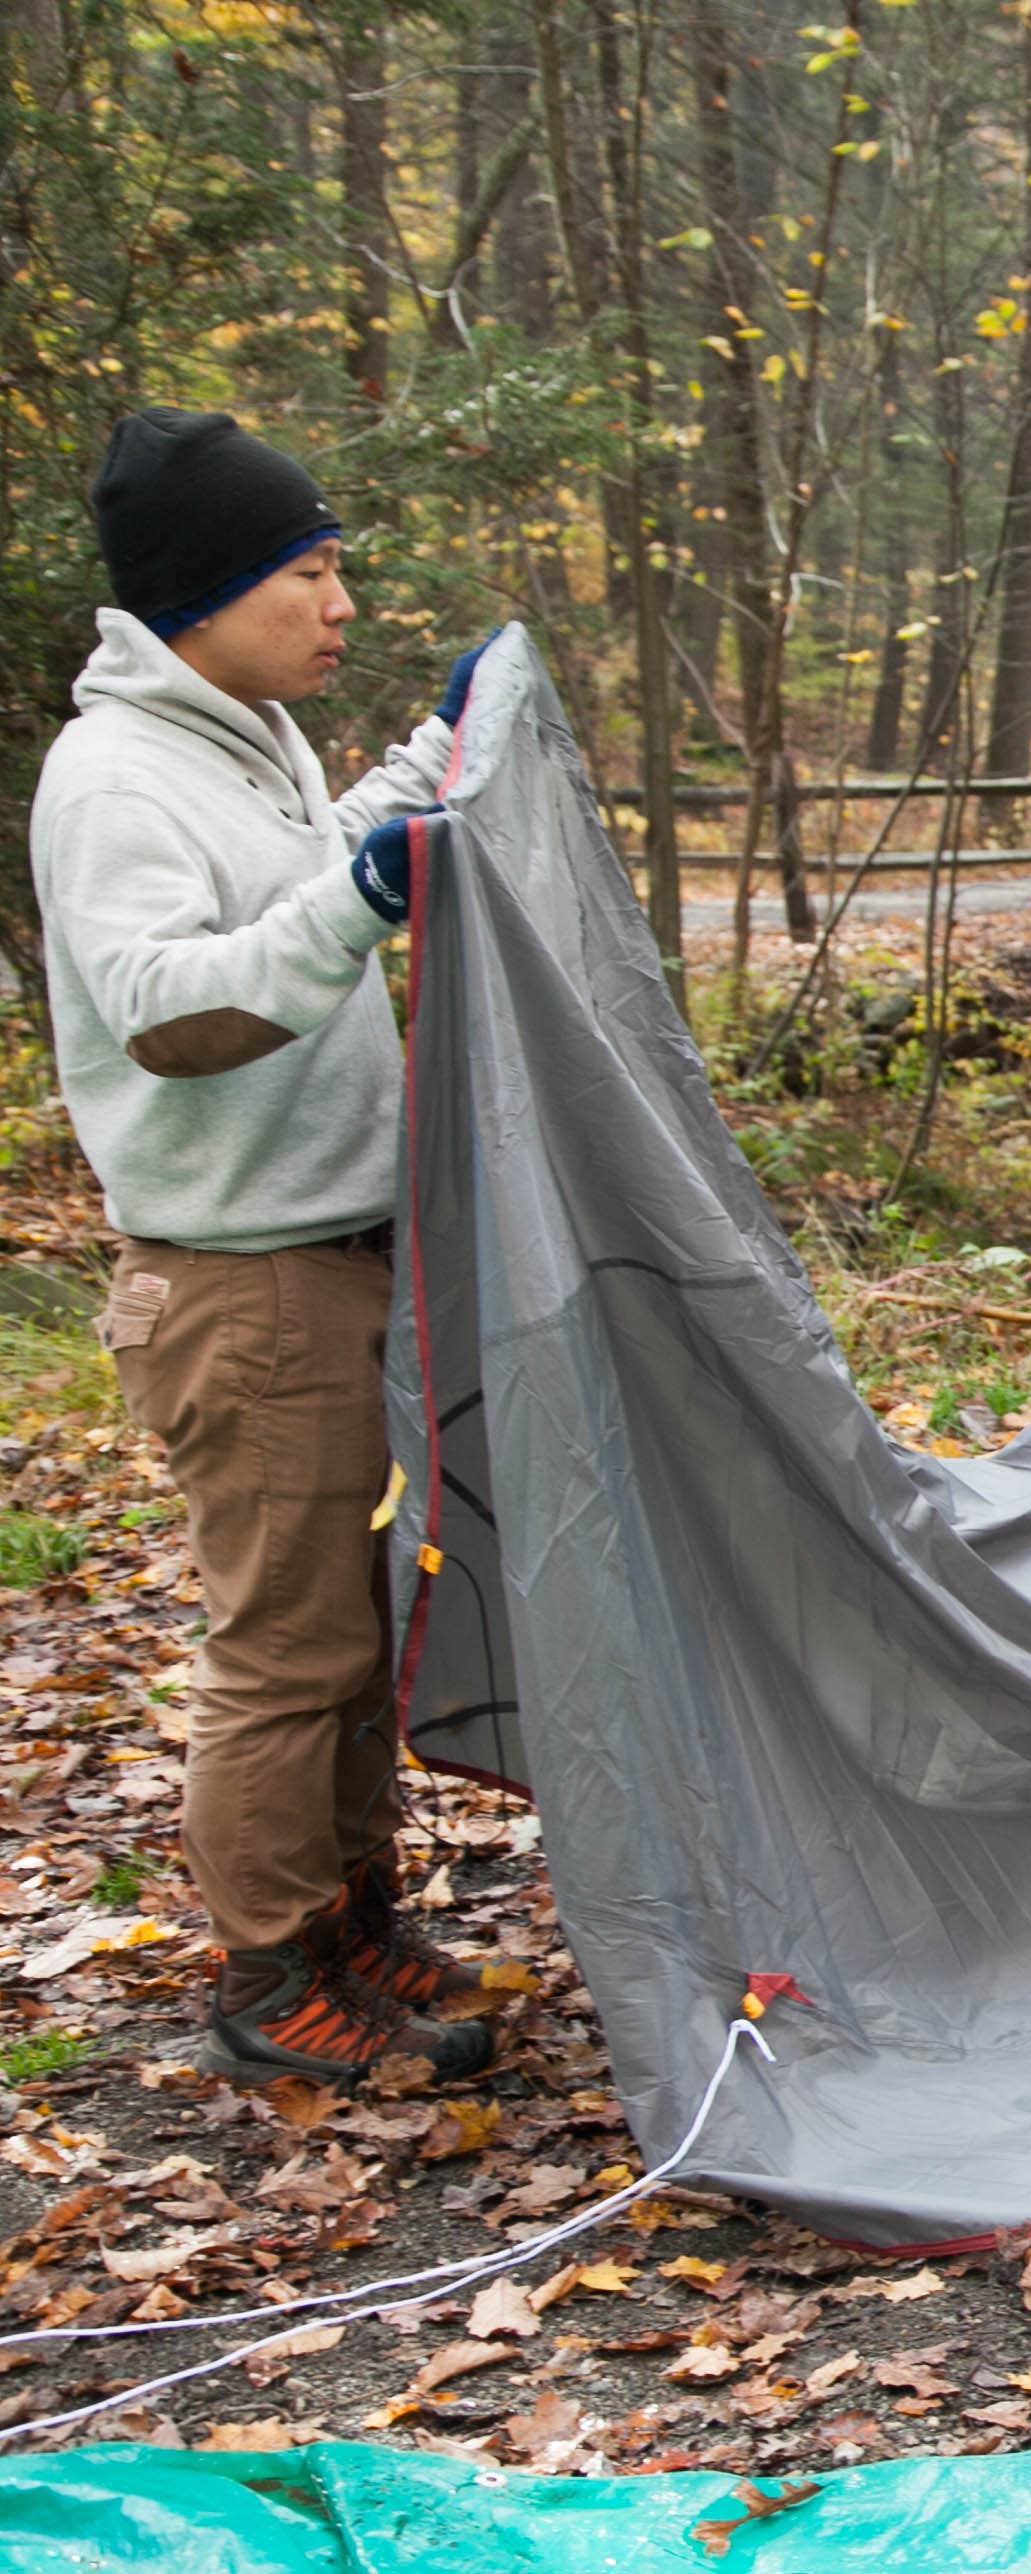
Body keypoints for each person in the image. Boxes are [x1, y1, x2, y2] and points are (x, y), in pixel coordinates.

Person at [29, 408, 497, 2085]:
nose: (338, 605)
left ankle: (352, 1915)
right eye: (307, 571)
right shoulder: (116, 781)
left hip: (344, 1255)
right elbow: (172, 1011)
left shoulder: (242, 736)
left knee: (357, 1623)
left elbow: (308, 881)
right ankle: (268, 1971)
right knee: (287, 1641)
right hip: (249, 1281)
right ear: (203, 591)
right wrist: (364, 898)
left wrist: (439, 752)